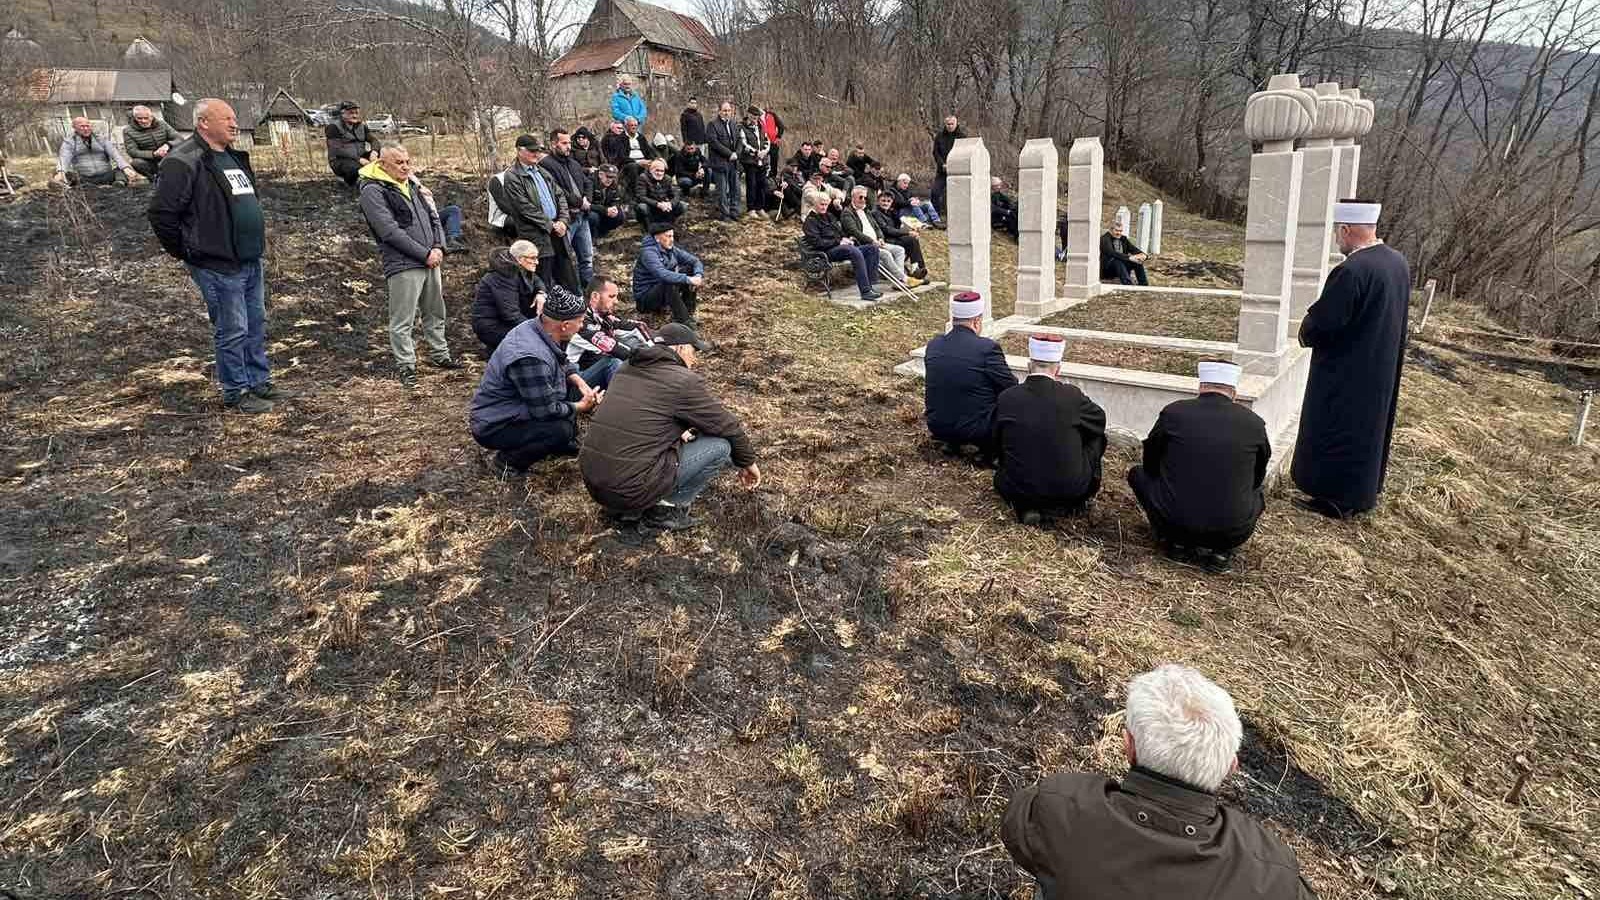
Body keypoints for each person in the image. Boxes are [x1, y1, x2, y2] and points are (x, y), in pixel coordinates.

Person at [1002, 664, 1315, 900]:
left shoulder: (1061, 808)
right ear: (1230, 767)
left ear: (1129, 746)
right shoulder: (1272, 871)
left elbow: (1016, 823)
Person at [148, 99, 287, 413]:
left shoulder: (233, 157)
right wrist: (188, 251)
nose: (235, 124)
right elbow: (162, 213)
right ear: (203, 123)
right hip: (217, 263)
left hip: (249, 258)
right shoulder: (183, 160)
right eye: (227, 118)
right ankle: (236, 390)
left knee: (255, 323)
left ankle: (259, 382)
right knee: (232, 328)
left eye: (234, 118)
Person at [1291, 198, 1410, 519]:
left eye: (1337, 232)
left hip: (1346, 369)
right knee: (1367, 430)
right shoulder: (1396, 261)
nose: (1336, 239)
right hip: (1380, 365)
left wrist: (1306, 330)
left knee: (1337, 427)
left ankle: (1333, 498)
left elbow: (1325, 322)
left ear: (1345, 230)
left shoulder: (1352, 270)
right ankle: (1360, 492)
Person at [580, 323, 760, 531]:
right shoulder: (682, 380)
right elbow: (726, 425)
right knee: (720, 447)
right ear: (680, 348)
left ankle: (621, 507)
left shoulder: (626, 368)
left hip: (595, 484)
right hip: (629, 489)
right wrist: (748, 462)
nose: (695, 359)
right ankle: (666, 510)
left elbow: (643, 419)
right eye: (694, 351)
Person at [1129, 361, 1271, 572]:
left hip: (1172, 521)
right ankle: (1221, 551)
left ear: (1201, 387)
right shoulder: (1254, 423)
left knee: (1137, 474)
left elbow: (1150, 461)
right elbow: (1257, 476)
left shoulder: (1174, 413)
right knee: (1257, 494)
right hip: (1232, 530)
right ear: (1233, 393)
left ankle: (1176, 542)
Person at [358, 146, 464, 388]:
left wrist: (439, 246)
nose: (405, 166)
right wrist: (424, 254)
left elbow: (434, 217)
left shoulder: (412, 185)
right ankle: (407, 367)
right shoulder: (372, 190)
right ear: (382, 164)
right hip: (404, 264)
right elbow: (388, 231)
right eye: (399, 162)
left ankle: (440, 355)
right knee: (403, 320)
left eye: (407, 161)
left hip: (431, 259)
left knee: (435, 311)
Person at [469, 287, 603, 475]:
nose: (582, 326)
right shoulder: (529, 357)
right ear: (565, 325)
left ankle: (556, 444)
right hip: (496, 424)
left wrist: (580, 383)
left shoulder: (540, 328)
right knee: (560, 430)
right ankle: (506, 463)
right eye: (580, 321)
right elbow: (546, 411)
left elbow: (561, 360)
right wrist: (581, 406)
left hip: (520, 407)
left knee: (568, 404)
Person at [992, 336, 1106, 526]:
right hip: (1070, 490)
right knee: (1097, 437)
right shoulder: (1072, 396)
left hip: (1017, 486)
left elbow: (997, 441)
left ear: (1029, 366)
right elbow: (1099, 422)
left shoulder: (1007, 397)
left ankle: (1026, 507)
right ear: (1058, 369)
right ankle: (1073, 502)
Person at [923, 291, 1014, 462]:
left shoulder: (934, 345)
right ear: (977, 322)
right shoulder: (987, 348)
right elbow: (1010, 386)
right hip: (976, 429)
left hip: (938, 425)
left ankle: (953, 443)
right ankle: (988, 452)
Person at [502, 134, 577, 293]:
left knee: (568, 279)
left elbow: (560, 195)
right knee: (544, 281)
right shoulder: (512, 176)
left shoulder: (542, 171)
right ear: (519, 151)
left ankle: (572, 306)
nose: (536, 154)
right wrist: (550, 225)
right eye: (531, 151)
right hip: (537, 236)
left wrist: (563, 220)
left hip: (557, 232)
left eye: (537, 150)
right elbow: (524, 208)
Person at [566, 275, 650, 391]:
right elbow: (612, 347)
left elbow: (635, 327)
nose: (616, 301)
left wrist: (654, 347)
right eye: (611, 296)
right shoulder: (577, 319)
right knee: (614, 362)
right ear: (595, 296)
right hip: (575, 382)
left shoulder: (600, 313)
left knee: (633, 346)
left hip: (594, 368)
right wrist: (649, 359)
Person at [541, 128, 596, 285]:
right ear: (553, 144)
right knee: (564, 260)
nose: (569, 146)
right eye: (564, 143)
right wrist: (580, 202)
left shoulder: (573, 163)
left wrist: (587, 200)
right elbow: (556, 190)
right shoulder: (545, 165)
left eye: (569, 143)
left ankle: (588, 289)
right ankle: (569, 291)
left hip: (582, 216)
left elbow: (588, 182)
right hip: (565, 218)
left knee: (586, 257)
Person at [803, 194, 882, 301]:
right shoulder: (810, 221)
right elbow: (817, 243)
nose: (824, 207)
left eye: (826, 204)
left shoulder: (829, 216)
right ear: (814, 204)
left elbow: (839, 232)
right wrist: (839, 242)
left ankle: (870, 285)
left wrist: (847, 238)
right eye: (822, 204)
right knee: (853, 251)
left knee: (872, 248)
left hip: (838, 248)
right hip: (825, 252)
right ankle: (865, 291)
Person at [471, 240, 546, 353]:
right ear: (519, 259)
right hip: (491, 326)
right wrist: (538, 331)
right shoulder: (504, 276)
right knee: (536, 343)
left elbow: (536, 280)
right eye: (533, 258)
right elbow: (510, 314)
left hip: (503, 320)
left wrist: (541, 294)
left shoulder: (518, 267)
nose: (537, 262)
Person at [842, 186, 920, 288]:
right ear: (853, 197)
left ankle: (898, 281)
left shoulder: (866, 211)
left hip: (877, 242)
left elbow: (877, 227)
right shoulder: (847, 213)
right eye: (860, 197)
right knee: (886, 254)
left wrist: (880, 238)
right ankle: (903, 279)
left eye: (865, 197)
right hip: (864, 245)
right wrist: (872, 241)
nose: (863, 200)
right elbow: (854, 232)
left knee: (899, 250)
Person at [633, 222, 705, 326]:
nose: (672, 240)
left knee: (689, 269)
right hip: (646, 300)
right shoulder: (648, 253)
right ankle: (684, 321)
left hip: (662, 292)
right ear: (657, 238)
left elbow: (695, 261)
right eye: (668, 236)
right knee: (668, 282)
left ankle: (689, 312)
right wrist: (688, 279)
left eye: (672, 236)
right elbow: (662, 274)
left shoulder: (671, 249)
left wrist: (698, 275)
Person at [52, 117, 135, 187]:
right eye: (82, 126)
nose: (86, 129)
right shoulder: (69, 142)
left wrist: (126, 168)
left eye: (87, 126)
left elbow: (115, 154)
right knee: (66, 175)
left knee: (120, 170)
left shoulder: (101, 139)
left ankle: (119, 184)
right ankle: (86, 187)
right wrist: (61, 171)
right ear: (74, 127)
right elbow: (64, 157)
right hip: (84, 177)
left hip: (106, 175)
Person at [871, 191, 929, 279]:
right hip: (885, 239)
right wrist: (907, 233)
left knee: (913, 239)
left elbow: (899, 225)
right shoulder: (876, 213)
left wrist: (914, 228)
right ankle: (916, 269)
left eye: (888, 201)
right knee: (911, 240)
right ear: (878, 201)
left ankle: (917, 268)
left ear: (891, 202)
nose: (886, 203)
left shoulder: (890, 212)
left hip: (894, 237)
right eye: (883, 201)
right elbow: (887, 230)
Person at [325, 101, 381, 187]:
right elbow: (337, 149)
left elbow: (374, 140)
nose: (355, 116)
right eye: (351, 113)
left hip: (361, 156)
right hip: (341, 160)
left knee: (386, 156)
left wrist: (374, 152)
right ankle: (348, 182)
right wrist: (359, 159)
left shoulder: (362, 126)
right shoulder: (333, 127)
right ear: (342, 114)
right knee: (355, 168)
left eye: (356, 113)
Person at [704, 101, 743, 220]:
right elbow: (714, 143)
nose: (727, 113)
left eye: (729, 110)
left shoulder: (733, 124)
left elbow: (740, 140)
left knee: (735, 188)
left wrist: (737, 153)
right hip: (719, 162)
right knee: (722, 190)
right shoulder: (712, 125)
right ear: (719, 111)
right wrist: (729, 154)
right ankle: (725, 214)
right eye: (724, 110)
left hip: (733, 162)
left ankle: (734, 212)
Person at [123, 106, 180, 183]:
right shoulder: (128, 131)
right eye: (139, 118)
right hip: (150, 161)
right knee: (136, 162)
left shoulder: (163, 124)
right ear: (134, 118)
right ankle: (154, 179)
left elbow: (179, 138)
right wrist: (153, 154)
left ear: (152, 116)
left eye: (146, 118)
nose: (143, 121)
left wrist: (167, 145)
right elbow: (132, 151)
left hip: (168, 156)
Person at [738, 106, 773, 220]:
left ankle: (760, 207)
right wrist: (756, 152)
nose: (755, 118)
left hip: (762, 160)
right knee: (751, 184)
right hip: (750, 161)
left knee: (761, 184)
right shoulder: (742, 127)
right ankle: (751, 209)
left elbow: (767, 140)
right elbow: (744, 144)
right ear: (748, 114)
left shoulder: (761, 126)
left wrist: (764, 151)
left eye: (757, 116)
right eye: (753, 116)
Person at [633, 158, 686, 226]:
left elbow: (676, 194)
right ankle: (647, 224)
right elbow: (641, 197)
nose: (659, 173)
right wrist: (657, 204)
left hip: (664, 206)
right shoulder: (643, 178)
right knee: (642, 207)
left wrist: (670, 204)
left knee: (683, 205)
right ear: (651, 170)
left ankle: (669, 223)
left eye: (662, 171)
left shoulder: (667, 178)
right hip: (651, 206)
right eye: (657, 170)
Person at [932, 115, 965, 214]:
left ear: (956, 124)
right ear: (945, 124)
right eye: (948, 124)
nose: (950, 126)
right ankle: (935, 216)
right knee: (935, 192)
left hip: (957, 171)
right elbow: (935, 152)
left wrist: (953, 165)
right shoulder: (939, 136)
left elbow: (964, 154)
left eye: (952, 124)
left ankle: (957, 215)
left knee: (959, 195)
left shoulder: (962, 137)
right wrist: (942, 164)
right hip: (942, 171)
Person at [1100, 220, 1149, 285]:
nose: (1119, 233)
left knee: (1137, 262)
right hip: (1108, 269)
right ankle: (1128, 285)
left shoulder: (1123, 239)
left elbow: (1134, 249)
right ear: (1111, 230)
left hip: (1122, 268)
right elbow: (1111, 253)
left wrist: (1143, 255)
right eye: (1116, 230)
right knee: (1117, 261)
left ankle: (1144, 285)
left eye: (1120, 231)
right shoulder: (1105, 238)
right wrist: (1130, 258)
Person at [588, 164, 628, 238]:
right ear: (600, 175)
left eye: (612, 177)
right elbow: (588, 204)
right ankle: (592, 236)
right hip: (594, 210)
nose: (610, 180)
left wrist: (614, 208)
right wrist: (605, 210)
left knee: (620, 215)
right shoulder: (590, 182)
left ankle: (604, 231)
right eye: (608, 176)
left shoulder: (613, 184)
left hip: (606, 210)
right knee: (593, 217)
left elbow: (617, 200)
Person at [756, 103, 785, 179]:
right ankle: (762, 176)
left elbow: (781, 126)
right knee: (762, 161)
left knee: (774, 161)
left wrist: (778, 137)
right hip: (763, 144)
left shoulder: (772, 115)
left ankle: (773, 177)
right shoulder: (756, 118)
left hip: (773, 142)